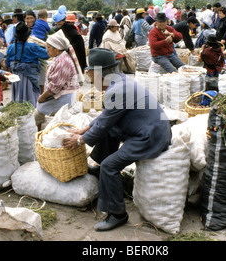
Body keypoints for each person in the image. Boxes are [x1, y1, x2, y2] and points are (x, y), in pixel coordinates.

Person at [62, 48, 172, 232]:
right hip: (148, 129)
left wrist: (80, 140)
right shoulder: (119, 83)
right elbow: (106, 117)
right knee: (108, 132)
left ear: (99, 73)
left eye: (89, 73)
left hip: (150, 136)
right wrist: (83, 130)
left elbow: (104, 123)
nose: (88, 77)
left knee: (110, 165)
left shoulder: (117, 90)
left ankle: (117, 214)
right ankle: (101, 173)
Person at [34, 30, 80, 130]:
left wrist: (42, 97)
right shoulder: (59, 57)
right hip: (59, 94)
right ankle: (40, 131)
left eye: (48, 47)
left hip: (63, 97)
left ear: (57, 49)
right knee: (39, 113)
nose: (46, 50)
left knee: (37, 114)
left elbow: (54, 87)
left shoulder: (63, 61)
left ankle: (39, 133)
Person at [5, 22, 50, 106]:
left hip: (16, 79)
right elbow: (47, 55)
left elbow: (7, 63)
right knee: (30, 98)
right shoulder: (32, 46)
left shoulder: (11, 47)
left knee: (19, 100)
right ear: (28, 36)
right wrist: (47, 45)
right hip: (29, 78)